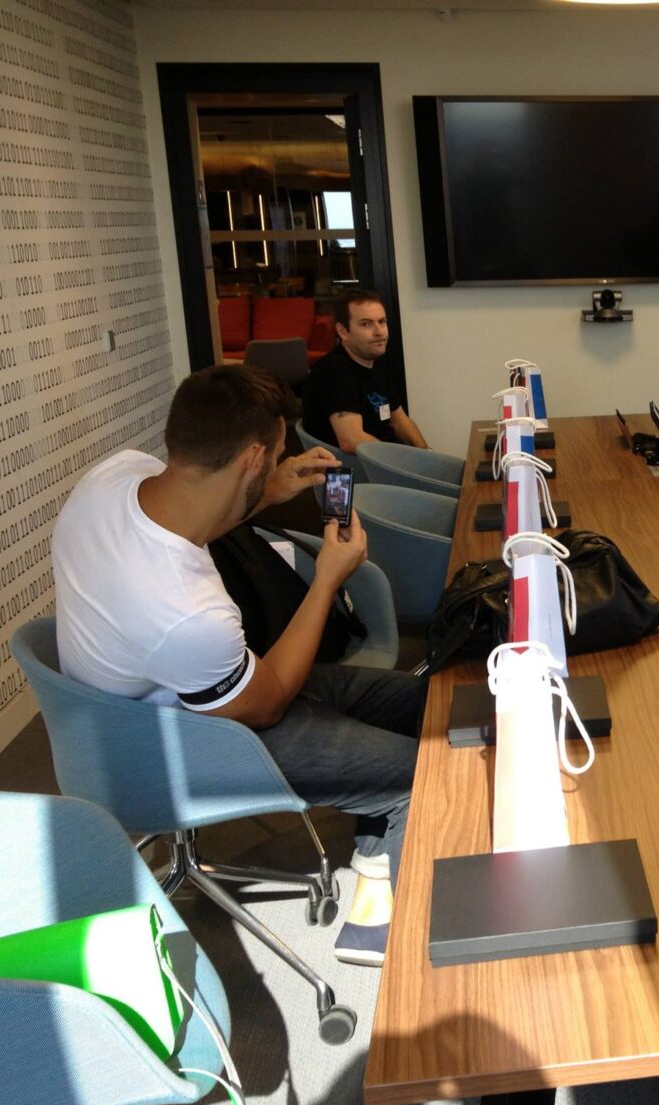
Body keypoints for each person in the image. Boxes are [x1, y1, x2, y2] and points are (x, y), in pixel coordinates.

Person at [53, 364, 423, 967]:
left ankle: (375, 844)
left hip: (125, 716)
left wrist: (268, 490)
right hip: (184, 742)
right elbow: (268, 700)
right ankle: (390, 940)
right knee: (420, 774)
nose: (277, 462)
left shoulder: (115, 475)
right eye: (273, 456)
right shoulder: (185, 612)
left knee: (418, 703)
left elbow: (200, 515)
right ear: (252, 456)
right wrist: (327, 580)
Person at [301, 289, 430, 453]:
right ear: (343, 331)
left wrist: (426, 454)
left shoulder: (376, 362)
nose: (379, 332)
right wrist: (402, 462)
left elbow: (400, 421)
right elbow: (352, 440)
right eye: (366, 324)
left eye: (382, 322)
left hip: (389, 458)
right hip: (362, 466)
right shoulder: (333, 371)